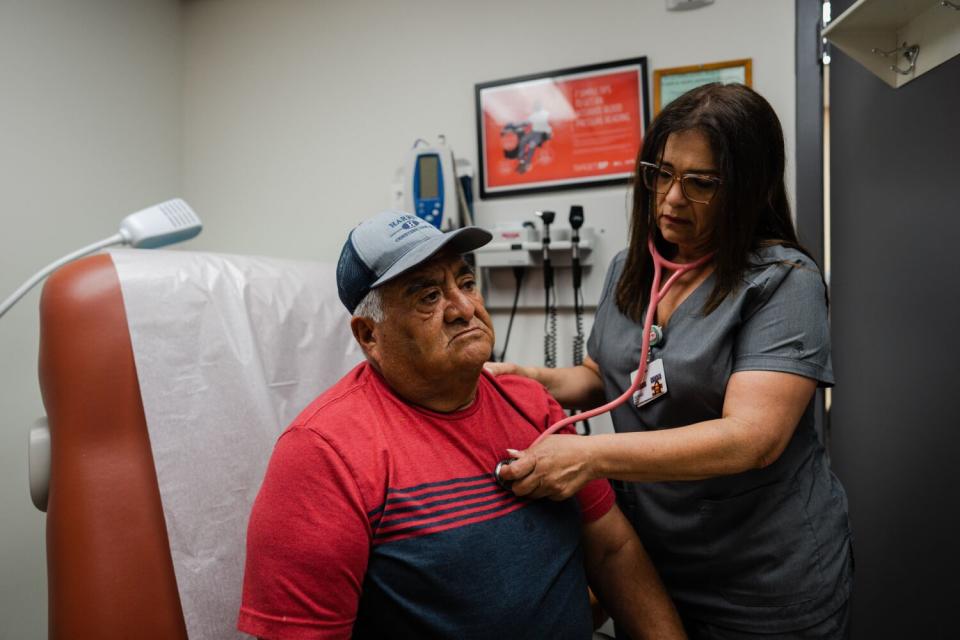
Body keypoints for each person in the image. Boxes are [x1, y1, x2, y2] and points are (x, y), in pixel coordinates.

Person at [490, 83, 854, 639]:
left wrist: (589, 459)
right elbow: (602, 376)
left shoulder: (784, 284)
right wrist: (532, 377)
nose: (671, 198)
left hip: (763, 579)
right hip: (654, 562)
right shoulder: (631, 268)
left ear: (751, 189)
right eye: (661, 173)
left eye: (700, 183)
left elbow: (752, 439)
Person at [238, 210, 686, 639]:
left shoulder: (531, 405)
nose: (462, 308)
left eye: (466, 283)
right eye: (428, 296)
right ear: (369, 335)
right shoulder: (322, 455)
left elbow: (612, 550)